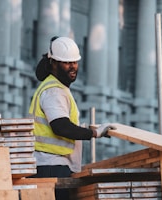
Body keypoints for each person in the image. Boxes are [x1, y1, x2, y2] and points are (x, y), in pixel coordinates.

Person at [28, 36, 116, 200]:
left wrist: (88, 130)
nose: (73, 67)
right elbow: (61, 126)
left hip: (51, 164)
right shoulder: (54, 91)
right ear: (53, 63)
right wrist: (94, 134)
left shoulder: (57, 88)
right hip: (50, 166)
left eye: (75, 62)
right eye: (67, 63)